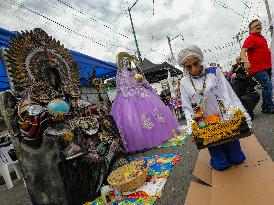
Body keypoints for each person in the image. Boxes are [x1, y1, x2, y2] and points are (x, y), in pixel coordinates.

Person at [178, 45, 252, 171]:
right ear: (185, 67)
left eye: (195, 63)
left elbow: (229, 94)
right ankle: (218, 159)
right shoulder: (184, 82)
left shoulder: (214, 71)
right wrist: (192, 129)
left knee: (237, 159)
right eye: (188, 66)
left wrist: (242, 115)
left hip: (225, 119)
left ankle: (231, 152)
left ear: (200, 60)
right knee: (221, 165)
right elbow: (187, 107)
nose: (194, 69)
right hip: (206, 125)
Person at [111, 52, 180, 153]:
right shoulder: (126, 75)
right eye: (126, 63)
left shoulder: (130, 74)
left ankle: (147, 140)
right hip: (133, 97)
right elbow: (141, 84)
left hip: (132, 97)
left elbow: (140, 83)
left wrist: (148, 88)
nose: (128, 65)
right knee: (136, 119)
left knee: (142, 118)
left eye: (128, 63)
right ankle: (144, 140)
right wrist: (150, 89)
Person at [240, 19, 273, 114]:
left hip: (267, 67)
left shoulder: (262, 38)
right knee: (268, 86)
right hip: (258, 68)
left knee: (267, 87)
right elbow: (243, 51)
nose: (258, 26)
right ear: (250, 30)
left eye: (259, 25)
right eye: (256, 26)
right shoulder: (251, 38)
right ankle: (268, 107)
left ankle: (266, 106)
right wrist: (246, 62)